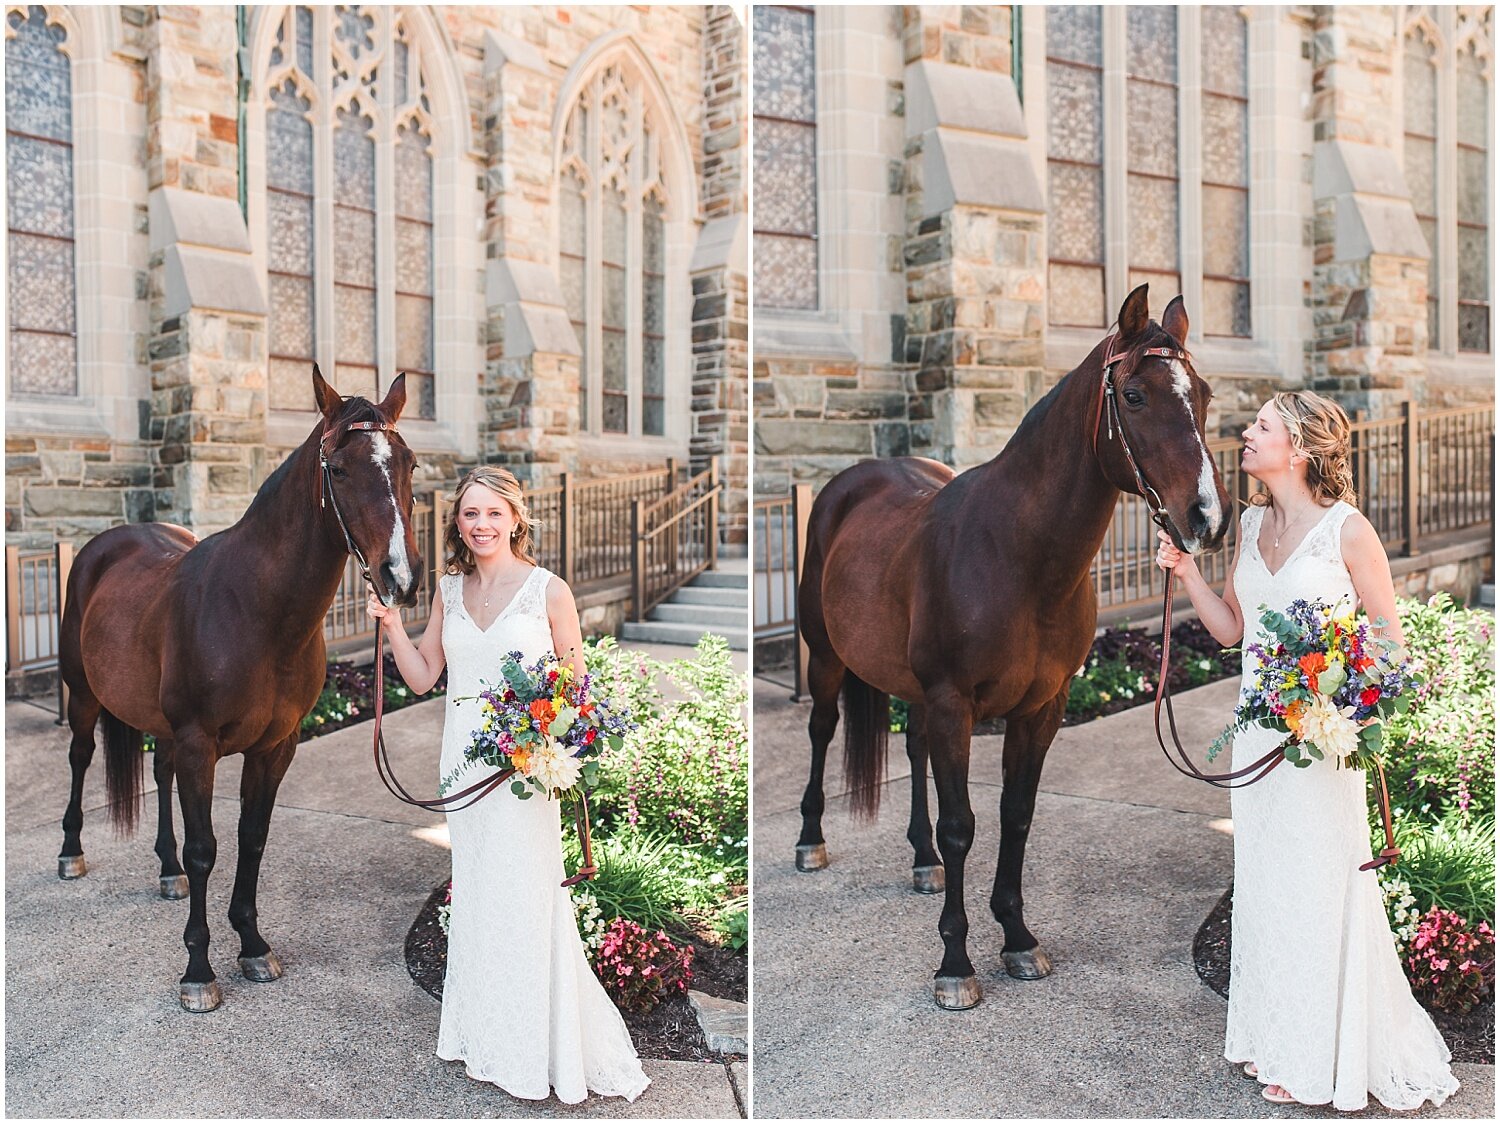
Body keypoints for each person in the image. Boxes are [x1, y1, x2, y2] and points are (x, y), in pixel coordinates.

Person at [1155, 391, 1458, 1111]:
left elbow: (1388, 645)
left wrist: (1337, 704)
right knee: (1267, 889)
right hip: (1257, 740)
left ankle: (1322, 1055)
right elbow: (1233, 631)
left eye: (1260, 427)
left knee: (1319, 891)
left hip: (1319, 750)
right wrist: (1186, 571)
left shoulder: (1348, 532)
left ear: (1298, 447)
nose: (1245, 434)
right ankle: (1275, 1035)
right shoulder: (1253, 522)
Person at [367, 465, 649, 1104]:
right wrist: (391, 628)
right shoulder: (448, 588)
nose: (482, 525)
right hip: (463, 764)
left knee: (526, 898)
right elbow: (422, 676)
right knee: (481, 899)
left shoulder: (549, 591)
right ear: (458, 525)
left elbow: (574, 692)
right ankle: (484, 1037)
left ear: (516, 519)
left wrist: (544, 742)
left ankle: (536, 1050)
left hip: (524, 772)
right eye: (470, 514)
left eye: (494, 513)